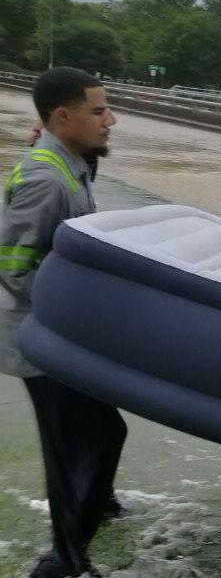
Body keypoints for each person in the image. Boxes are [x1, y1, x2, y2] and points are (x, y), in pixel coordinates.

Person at [1, 67, 124, 578]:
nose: (110, 119)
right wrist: (68, 315)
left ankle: (96, 513)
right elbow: (12, 266)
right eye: (98, 110)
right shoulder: (46, 178)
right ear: (61, 115)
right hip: (44, 340)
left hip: (66, 337)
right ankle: (62, 561)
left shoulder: (66, 162)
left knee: (96, 435)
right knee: (81, 442)